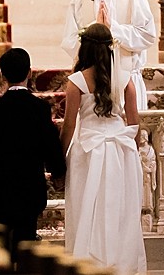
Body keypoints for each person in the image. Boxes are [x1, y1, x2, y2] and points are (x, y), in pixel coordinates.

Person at [61, 23, 146, 275]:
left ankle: (89, 263)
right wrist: (135, 149)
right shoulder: (125, 79)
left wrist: (58, 157)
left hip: (88, 150)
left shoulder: (76, 81)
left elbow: (68, 125)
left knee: (87, 207)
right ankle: (121, 264)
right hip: (121, 150)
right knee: (120, 210)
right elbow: (134, 121)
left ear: (84, 47)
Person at [0, 47, 64, 250]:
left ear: (2, 75)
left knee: (1, 242)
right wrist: (58, 171)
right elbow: (50, 142)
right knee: (27, 238)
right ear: (29, 73)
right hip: (30, 187)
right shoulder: (39, 108)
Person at [60, 0, 158, 109]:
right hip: (92, 83)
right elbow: (69, 42)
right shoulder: (79, 0)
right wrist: (95, 30)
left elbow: (147, 35)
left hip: (128, 80)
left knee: (130, 129)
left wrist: (113, 30)